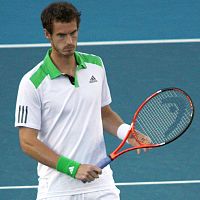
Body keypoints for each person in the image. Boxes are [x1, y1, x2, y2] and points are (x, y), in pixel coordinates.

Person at [15, 2, 148, 200]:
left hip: (100, 184)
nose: (69, 41)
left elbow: (103, 113)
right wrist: (73, 168)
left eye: (73, 33)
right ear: (47, 35)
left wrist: (126, 133)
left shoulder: (96, 65)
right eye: (61, 35)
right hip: (57, 189)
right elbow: (28, 142)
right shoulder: (32, 83)